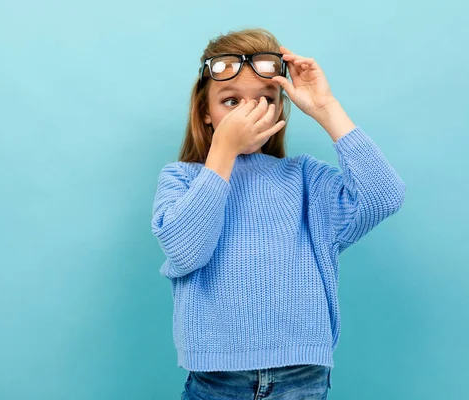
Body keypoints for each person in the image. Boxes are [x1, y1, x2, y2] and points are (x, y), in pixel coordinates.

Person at [150, 27, 406, 400]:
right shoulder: (181, 178)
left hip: (302, 376)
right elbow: (186, 251)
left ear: (280, 108)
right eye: (231, 101)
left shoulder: (304, 178)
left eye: (264, 99)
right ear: (205, 112)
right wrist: (223, 151)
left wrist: (325, 107)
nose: (248, 112)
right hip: (217, 379)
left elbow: (383, 194)